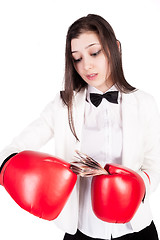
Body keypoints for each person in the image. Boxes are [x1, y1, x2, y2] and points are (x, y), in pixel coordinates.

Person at [0, 14, 160, 240]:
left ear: (115, 47)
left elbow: (154, 168)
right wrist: (9, 169)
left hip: (136, 228)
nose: (86, 65)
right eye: (77, 58)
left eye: (95, 53)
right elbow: (12, 150)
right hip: (82, 230)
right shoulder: (63, 106)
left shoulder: (145, 103)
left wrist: (131, 185)